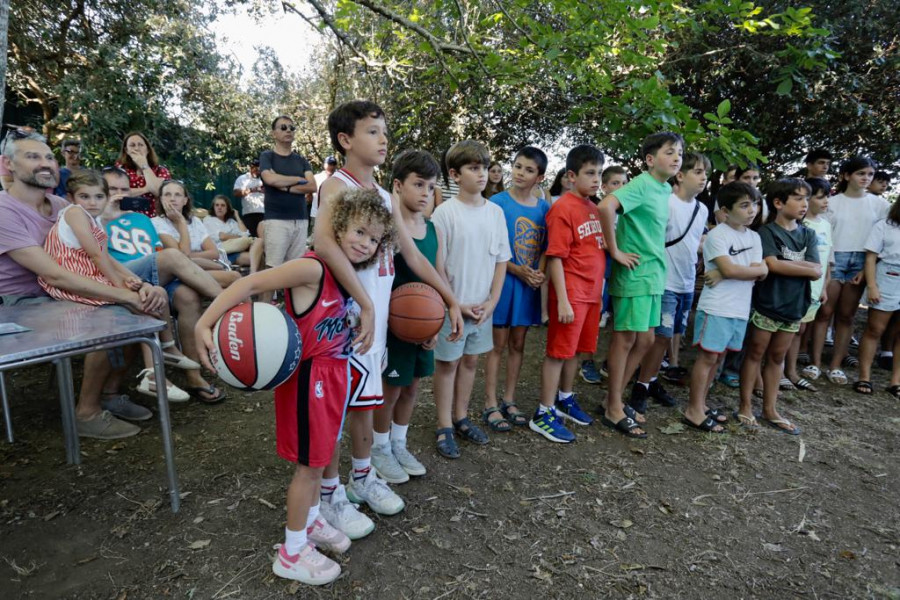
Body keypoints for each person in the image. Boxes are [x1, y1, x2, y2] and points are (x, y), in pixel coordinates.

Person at [196, 188, 394, 586]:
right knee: (308, 468)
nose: (365, 242)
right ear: (336, 229)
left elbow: (333, 320)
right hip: (309, 380)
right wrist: (204, 324)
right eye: (358, 231)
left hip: (334, 377)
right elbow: (248, 285)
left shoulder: (346, 278)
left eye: (373, 238)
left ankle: (313, 520)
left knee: (323, 455)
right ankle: (291, 550)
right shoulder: (314, 268)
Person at [313, 101, 463, 534]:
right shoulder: (335, 187)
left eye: (384, 131)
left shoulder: (382, 195)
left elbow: (411, 253)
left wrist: (448, 299)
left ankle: (361, 478)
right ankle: (329, 495)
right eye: (373, 132)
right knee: (336, 413)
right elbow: (324, 245)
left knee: (364, 403)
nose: (383, 139)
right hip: (345, 319)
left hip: (371, 322)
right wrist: (365, 302)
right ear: (345, 140)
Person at [0, 131, 169, 439]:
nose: (45, 163)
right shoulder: (3, 211)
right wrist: (121, 294)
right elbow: (54, 276)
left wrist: (134, 284)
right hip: (22, 303)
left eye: (49, 156)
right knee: (109, 314)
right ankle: (86, 413)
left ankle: (109, 393)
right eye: (33, 156)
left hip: (66, 288)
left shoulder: (60, 204)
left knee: (136, 302)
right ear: (7, 165)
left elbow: (98, 251)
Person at [40, 170, 192, 406]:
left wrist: (135, 280)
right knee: (144, 301)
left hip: (89, 275)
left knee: (156, 291)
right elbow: (96, 256)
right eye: (85, 196)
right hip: (74, 281)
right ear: (71, 198)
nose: (93, 202)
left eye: (99, 197)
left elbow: (107, 260)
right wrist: (121, 285)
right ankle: (154, 371)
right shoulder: (74, 213)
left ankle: (166, 351)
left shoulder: (93, 220)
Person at [101, 168, 227, 404]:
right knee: (172, 256)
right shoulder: (95, 218)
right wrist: (105, 217)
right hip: (123, 274)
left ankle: (194, 375)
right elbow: (94, 255)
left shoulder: (141, 220)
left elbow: (157, 252)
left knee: (188, 296)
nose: (118, 195)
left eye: (124, 190)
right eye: (112, 190)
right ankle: (229, 307)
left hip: (153, 274)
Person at [598, 132, 684, 439]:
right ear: (650, 159)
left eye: (680, 154)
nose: (677, 158)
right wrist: (614, 250)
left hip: (653, 275)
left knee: (646, 341)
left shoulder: (663, 190)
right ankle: (612, 408)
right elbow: (606, 207)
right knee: (625, 340)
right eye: (670, 152)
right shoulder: (641, 184)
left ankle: (614, 399)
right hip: (634, 273)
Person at [429, 140, 510, 458]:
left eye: (484, 167)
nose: (482, 174)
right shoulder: (444, 213)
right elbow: (438, 265)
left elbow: (502, 260)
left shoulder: (496, 213)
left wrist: (492, 301)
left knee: (471, 361)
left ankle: (461, 417)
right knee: (448, 363)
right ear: (454, 174)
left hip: (483, 306)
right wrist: (454, 304)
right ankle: (443, 425)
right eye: (473, 168)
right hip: (454, 306)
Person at [370, 150, 442, 483]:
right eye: (418, 184)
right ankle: (379, 447)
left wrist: (437, 321)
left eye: (430, 186)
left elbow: (438, 276)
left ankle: (399, 443)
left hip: (422, 325)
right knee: (392, 388)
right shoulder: (387, 226)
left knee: (412, 387)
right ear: (397, 186)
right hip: (395, 322)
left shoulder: (432, 229)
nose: (425, 192)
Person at [529, 144, 605, 443]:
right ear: (571, 176)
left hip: (591, 293)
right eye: (590, 173)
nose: (596, 179)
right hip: (570, 293)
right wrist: (561, 299)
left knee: (575, 351)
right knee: (558, 352)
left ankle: (565, 398)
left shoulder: (594, 207)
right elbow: (557, 257)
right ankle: (543, 411)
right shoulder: (562, 208)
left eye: (599, 173)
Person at [738, 179, 820, 435]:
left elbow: (817, 270)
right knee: (755, 354)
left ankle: (771, 410)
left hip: (795, 307)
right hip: (767, 304)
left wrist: (793, 266)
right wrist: (804, 268)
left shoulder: (809, 234)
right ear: (778, 202)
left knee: (777, 358)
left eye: (806, 198)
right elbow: (772, 265)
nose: (804, 204)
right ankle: (745, 406)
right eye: (797, 198)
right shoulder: (767, 232)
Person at [632, 153, 711, 413]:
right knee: (660, 337)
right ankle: (640, 386)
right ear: (680, 175)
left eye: (705, 173)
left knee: (670, 336)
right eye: (697, 172)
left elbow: (695, 242)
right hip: (663, 280)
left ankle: (651, 380)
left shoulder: (702, 210)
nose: (703, 178)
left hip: (687, 283)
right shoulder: (666, 203)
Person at [685, 182, 765, 432]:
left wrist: (734, 272)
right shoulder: (718, 235)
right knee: (708, 356)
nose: (752, 210)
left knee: (718, 358)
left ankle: (703, 404)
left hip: (740, 308)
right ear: (726, 211)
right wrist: (732, 271)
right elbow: (740, 269)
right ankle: (693, 409)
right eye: (744, 205)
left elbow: (762, 271)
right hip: (717, 307)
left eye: (754, 204)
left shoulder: (754, 237)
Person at [484, 147, 549, 432]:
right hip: (505, 281)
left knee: (518, 343)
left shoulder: (544, 208)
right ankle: (489, 402)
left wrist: (539, 272)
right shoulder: (496, 203)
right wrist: (517, 269)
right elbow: (492, 248)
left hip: (528, 286)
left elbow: (547, 247)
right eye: (518, 166)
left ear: (540, 177)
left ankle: (509, 398)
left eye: (529, 170)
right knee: (496, 344)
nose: (520, 173)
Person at [811, 157, 885, 385]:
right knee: (824, 313)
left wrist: (866, 268)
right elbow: (823, 236)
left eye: (870, 174)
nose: (866, 178)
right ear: (846, 175)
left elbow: (881, 239)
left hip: (862, 261)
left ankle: (835, 365)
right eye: (860, 173)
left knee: (846, 315)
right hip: (835, 259)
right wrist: (829, 266)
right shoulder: (832, 202)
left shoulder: (880, 204)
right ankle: (815, 362)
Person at [785, 177, 832, 390]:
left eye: (827, 197)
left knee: (801, 329)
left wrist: (823, 287)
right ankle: (780, 370)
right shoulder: (800, 225)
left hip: (815, 289)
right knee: (791, 329)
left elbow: (826, 260)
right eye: (820, 197)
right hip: (797, 289)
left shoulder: (826, 225)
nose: (826, 202)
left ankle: (790, 370)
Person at [152, 180, 241, 288]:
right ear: (161, 199)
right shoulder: (155, 223)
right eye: (167, 194)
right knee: (234, 277)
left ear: (185, 200)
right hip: (177, 275)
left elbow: (214, 252)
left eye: (177, 195)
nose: (172, 198)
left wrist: (192, 258)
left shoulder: (195, 221)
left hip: (200, 268)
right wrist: (181, 222)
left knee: (235, 277)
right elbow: (181, 257)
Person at [259, 115, 317, 272]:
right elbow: (269, 179)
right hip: (277, 220)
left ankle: (290, 298)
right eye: (283, 127)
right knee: (271, 270)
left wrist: (286, 187)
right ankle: (265, 299)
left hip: (301, 220)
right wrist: (299, 179)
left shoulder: (301, 160)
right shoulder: (267, 156)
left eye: (292, 128)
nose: (288, 130)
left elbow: (312, 186)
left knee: (295, 271)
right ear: (274, 133)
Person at [855, 197, 900, 399]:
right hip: (888, 276)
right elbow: (871, 257)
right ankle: (864, 376)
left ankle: (896, 381)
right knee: (875, 329)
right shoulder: (885, 225)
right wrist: (872, 286)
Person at [114, 132, 170, 217]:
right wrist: (146, 188)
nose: (137, 148)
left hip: (154, 220)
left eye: (140, 145)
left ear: (147, 149)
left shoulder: (161, 171)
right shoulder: (119, 170)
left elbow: (159, 191)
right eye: (132, 145)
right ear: (127, 150)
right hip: (124, 218)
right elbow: (117, 193)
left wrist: (144, 165)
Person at [203, 194, 263, 272]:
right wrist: (239, 237)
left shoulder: (231, 222)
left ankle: (253, 274)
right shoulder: (209, 219)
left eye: (223, 205)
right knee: (256, 256)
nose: (219, 208)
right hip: (222, 253)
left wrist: (237, 217)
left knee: (259, 246)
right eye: (217, 205)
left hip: (236, 252)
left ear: (227, 208)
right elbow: (222, 237)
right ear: (213, 207)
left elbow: (245, 234)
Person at [232, 159, 265, 237]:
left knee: (264, 238)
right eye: (256, 169)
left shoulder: (264, 179)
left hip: (264, 213)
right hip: (249, 213)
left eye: (260, 170)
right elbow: (236, 193)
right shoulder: (243, 178)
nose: (258, 172)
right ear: (251, 168)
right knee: (251, 238)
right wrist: (253, 189)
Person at [308, 155, 339, 226]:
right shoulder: (316, 178)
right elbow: (309, 195)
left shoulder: (339, 178)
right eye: (330, 164)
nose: (332, 166)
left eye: (334, 164)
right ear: (324, 165)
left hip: (334, 215)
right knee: (315, 235)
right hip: (317, 214)